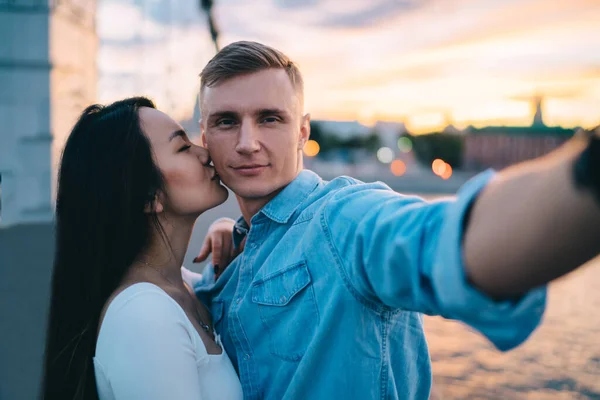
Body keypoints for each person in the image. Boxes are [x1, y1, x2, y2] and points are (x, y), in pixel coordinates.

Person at [192, 41, 600, 399]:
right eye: (227, 121)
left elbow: (444, 241)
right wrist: (241, 240)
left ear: (302, 132)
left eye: (270, 118)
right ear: (204, 138)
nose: (248, 143)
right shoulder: (233, 255)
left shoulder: (341, 219)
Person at [41, 97, 243, 400]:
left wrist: (230, 230)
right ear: (148, 196)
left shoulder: (183, 286)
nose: (205, 153)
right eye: (183, 147)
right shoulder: (144, 316)